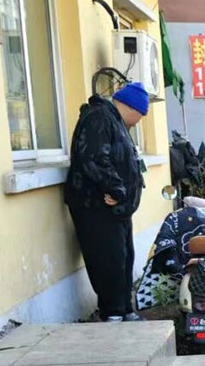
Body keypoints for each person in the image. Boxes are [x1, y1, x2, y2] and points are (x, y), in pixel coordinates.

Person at [64, 82, 149, 321]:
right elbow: (93, 158)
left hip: (117, 209)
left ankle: (124, 309)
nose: (139, 121)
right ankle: (113, 312)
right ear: (131, 106)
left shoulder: (114, 121)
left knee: (123, 258)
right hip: (97, 206)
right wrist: (117, 189)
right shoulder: (99, 118)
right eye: (141, 114)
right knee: (107, 260)